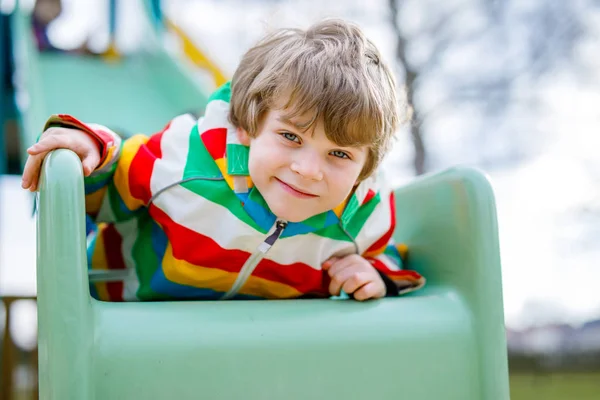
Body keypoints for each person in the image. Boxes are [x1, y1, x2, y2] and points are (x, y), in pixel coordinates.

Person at [21, 18, 425, 301]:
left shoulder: (362, 217)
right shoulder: (183, 164)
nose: (308, 170)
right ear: (247, 126)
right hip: (121, 322)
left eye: (339, 154)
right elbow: (111, 178)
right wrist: (93, 149)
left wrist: (376, 275)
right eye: (290, 136)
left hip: (240, 360)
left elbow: (384, 253)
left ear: (365, 168)